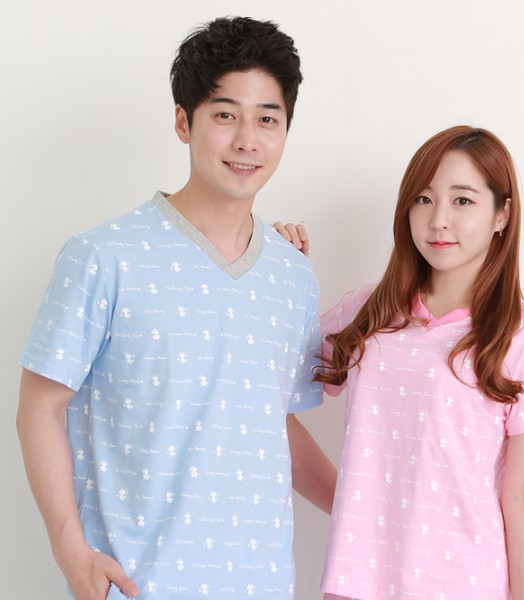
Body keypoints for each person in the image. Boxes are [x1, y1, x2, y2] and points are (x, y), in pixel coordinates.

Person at [17, 16, 336, 600]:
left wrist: (358, 509)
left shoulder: (292, 275)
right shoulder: (103, 256)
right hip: (136, 585)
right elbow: (39, 407)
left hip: (262, 586)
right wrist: (70, 550)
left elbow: (273, 421)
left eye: (268, 119)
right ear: (183, 122)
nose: (248, 140)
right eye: (225, 115)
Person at [275, 125, 524, 600]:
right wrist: (279, 280)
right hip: (358, 583)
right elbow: (261, 394)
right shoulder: (368, 312)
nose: (438, 220)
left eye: (463, 201)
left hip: (467, 584)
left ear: (502, 214)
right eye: (423, 198)